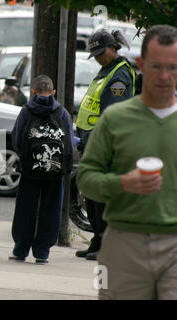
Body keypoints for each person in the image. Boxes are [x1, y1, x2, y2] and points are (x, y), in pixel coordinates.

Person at [77, 25, 177, 300]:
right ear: (142, 64)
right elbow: (86, 179)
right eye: (157, 66)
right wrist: (122, 183)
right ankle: (98, 239)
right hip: (121, 244)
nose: (165, 76)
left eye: (174, 67)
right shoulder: (115, 121)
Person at [74, 29, 136, 261]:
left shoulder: (120, 75)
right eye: (95, 54)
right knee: (92, 195)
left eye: (101, 52)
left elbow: (112, 115)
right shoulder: (106, 70)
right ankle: (97, 241)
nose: (98, 57)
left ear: (113, 48)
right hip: (91, 142)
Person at [9, 75, 74, 264]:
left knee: (25, 208)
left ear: (33, 91)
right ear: (53, 92)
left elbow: (17, 139)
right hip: (55, 172)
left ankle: (20, 250)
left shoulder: (26, 111)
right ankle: (42, 252)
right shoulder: (62, 114)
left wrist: (25, 157)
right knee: (51, 209)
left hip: (31, 169)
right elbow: (68, 143)